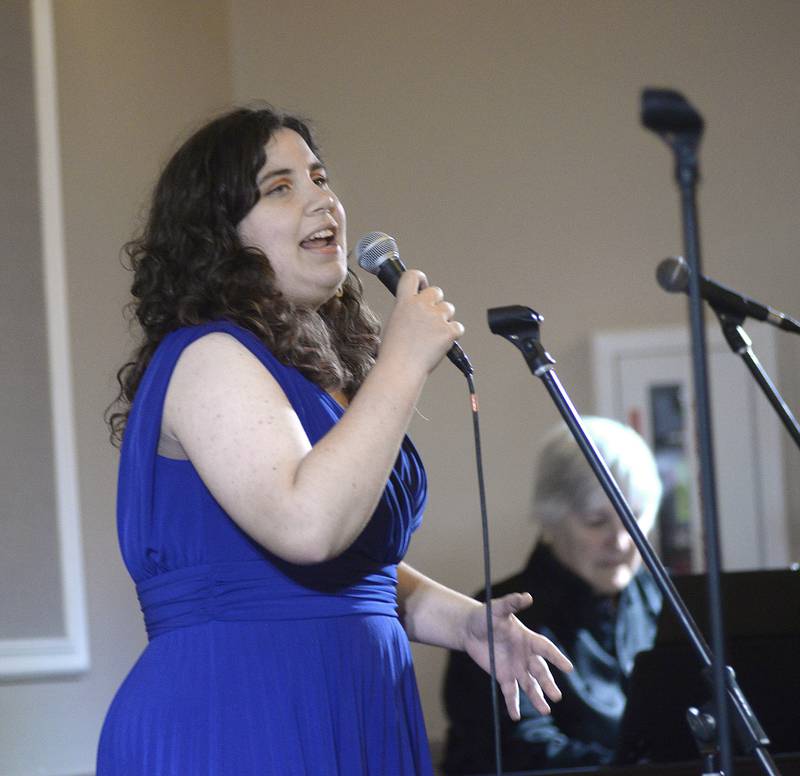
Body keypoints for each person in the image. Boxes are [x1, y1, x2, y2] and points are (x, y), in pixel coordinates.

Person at [97, 105, 573, 775]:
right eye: (281, 187)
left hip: (354, 702)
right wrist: (402, 364)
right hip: (239, 716)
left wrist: (461, 621)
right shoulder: (207, 356)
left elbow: (351, 568)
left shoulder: (314, 374)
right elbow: (308, 527)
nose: (321, 198)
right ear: (217, 238)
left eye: (320, 178)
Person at [442, 416, 663, 774]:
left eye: (633, 517)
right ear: (551, 518)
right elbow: (523, 752)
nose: (621, 541)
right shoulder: (498, 618)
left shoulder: (661, 600)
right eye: (596, 521)